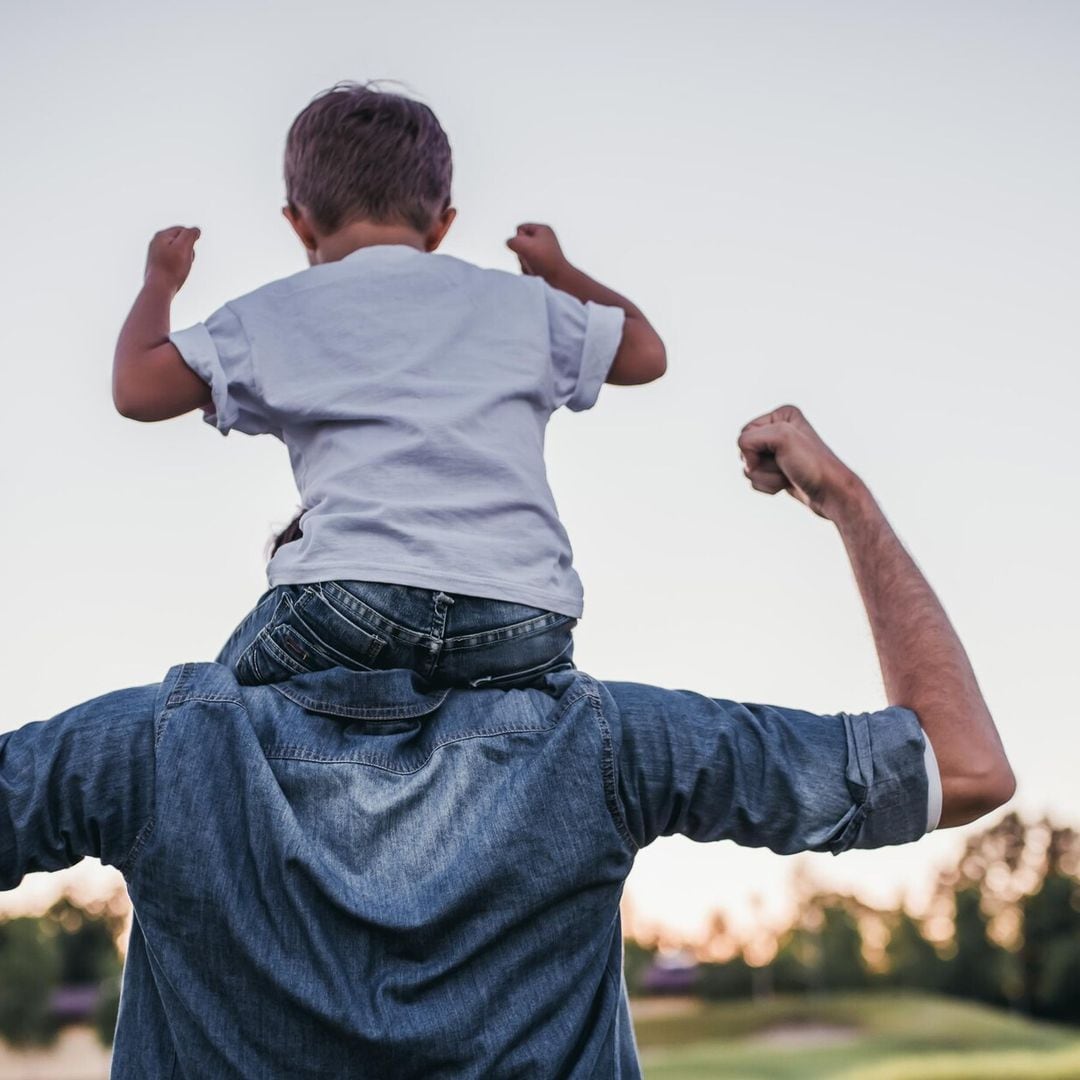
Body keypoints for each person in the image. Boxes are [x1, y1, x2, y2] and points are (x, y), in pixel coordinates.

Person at [0, 408, 1014, 1078]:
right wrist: (846, 501)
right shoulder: (603, 747)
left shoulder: (156, 750)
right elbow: (962, 766)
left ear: (292, 585)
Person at [111, 81, 666, 690]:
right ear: (442, 224)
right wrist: (558, 272)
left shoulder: (278, 312)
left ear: (299, 224)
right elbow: (646, 353)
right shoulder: (521, 304)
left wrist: (159, 281)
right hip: (523, 616)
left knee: (208, 712)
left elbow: (137, 389)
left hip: (352, 602)